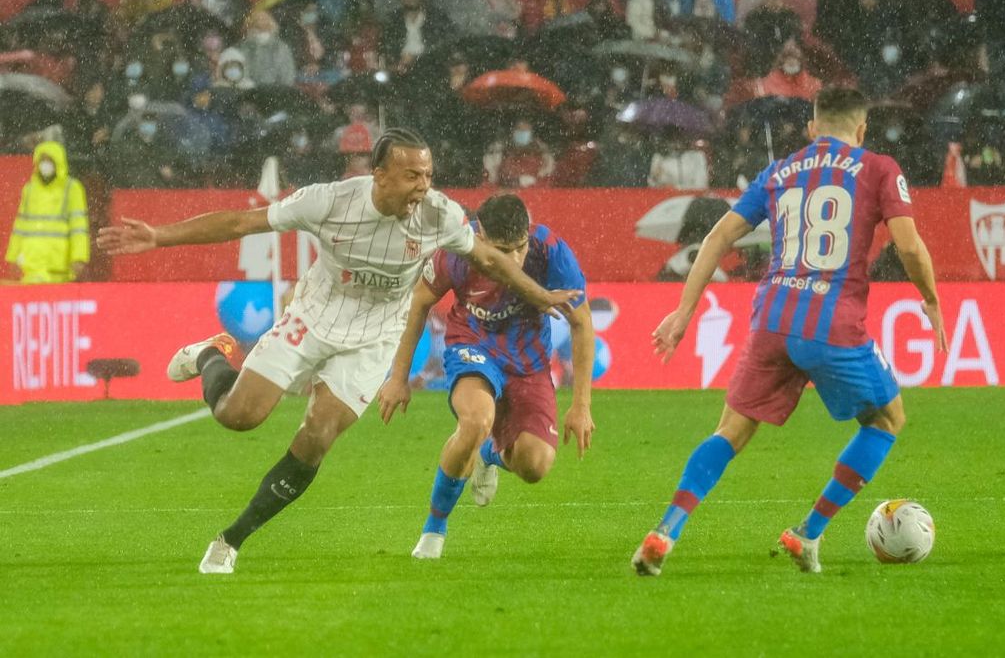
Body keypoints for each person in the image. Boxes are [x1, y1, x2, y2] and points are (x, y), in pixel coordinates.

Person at [96, 129, 580, 574]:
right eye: (412, 175)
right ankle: (212, 353)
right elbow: (241, 223)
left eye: (428, 175)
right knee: (238, 415)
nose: (423, 186)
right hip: (312, 320)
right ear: (380, 174)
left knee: (319, 432)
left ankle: (232, 539)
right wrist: (161, 236)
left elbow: (490, 257)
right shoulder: (328, 201)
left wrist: (540, 296)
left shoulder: (440, 215)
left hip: (372, 341)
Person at [630, 87, 948, 576]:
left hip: (772, 318)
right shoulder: (880, 167)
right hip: (832, 323)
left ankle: (665, 530)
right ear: (862, 131)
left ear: (812, 128)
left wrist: (683, 312)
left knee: (730, 431)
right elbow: (908, 246)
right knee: (887, 420)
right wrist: (928, 297)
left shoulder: (780, 170)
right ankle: (807, 534)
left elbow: (717, 237)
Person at [377, 193, 595, 559]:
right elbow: (420, 302)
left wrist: (582, 404)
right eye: (501, 250)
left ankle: (489, 456)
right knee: (476, 420)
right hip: (473, 344)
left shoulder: (551, 250)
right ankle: (434, 529)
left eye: (519, 248)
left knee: (535, 466)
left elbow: (581, 323)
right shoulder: (457, 250)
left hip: (529, 363)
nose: (512, 261)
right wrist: (398, 376)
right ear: (480, 236)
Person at [5, 141, 89, 284]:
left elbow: (78, 227)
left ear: (58, 162)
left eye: (49, 160)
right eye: (42, 160)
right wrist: (13, 257)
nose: (45, 164)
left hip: (58, 263)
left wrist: (79, 257)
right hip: (31, 261)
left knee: (54, 303)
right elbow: (20, 226)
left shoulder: (72, 188)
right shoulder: (30, 189)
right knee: (32, 303)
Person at [237, 11, 297, 87]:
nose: (259, 32)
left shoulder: (280, 48)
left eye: (264, 28)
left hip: (274, 93)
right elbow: (239, 73)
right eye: (256, 27)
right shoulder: (243, 47)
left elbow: (287, 78)